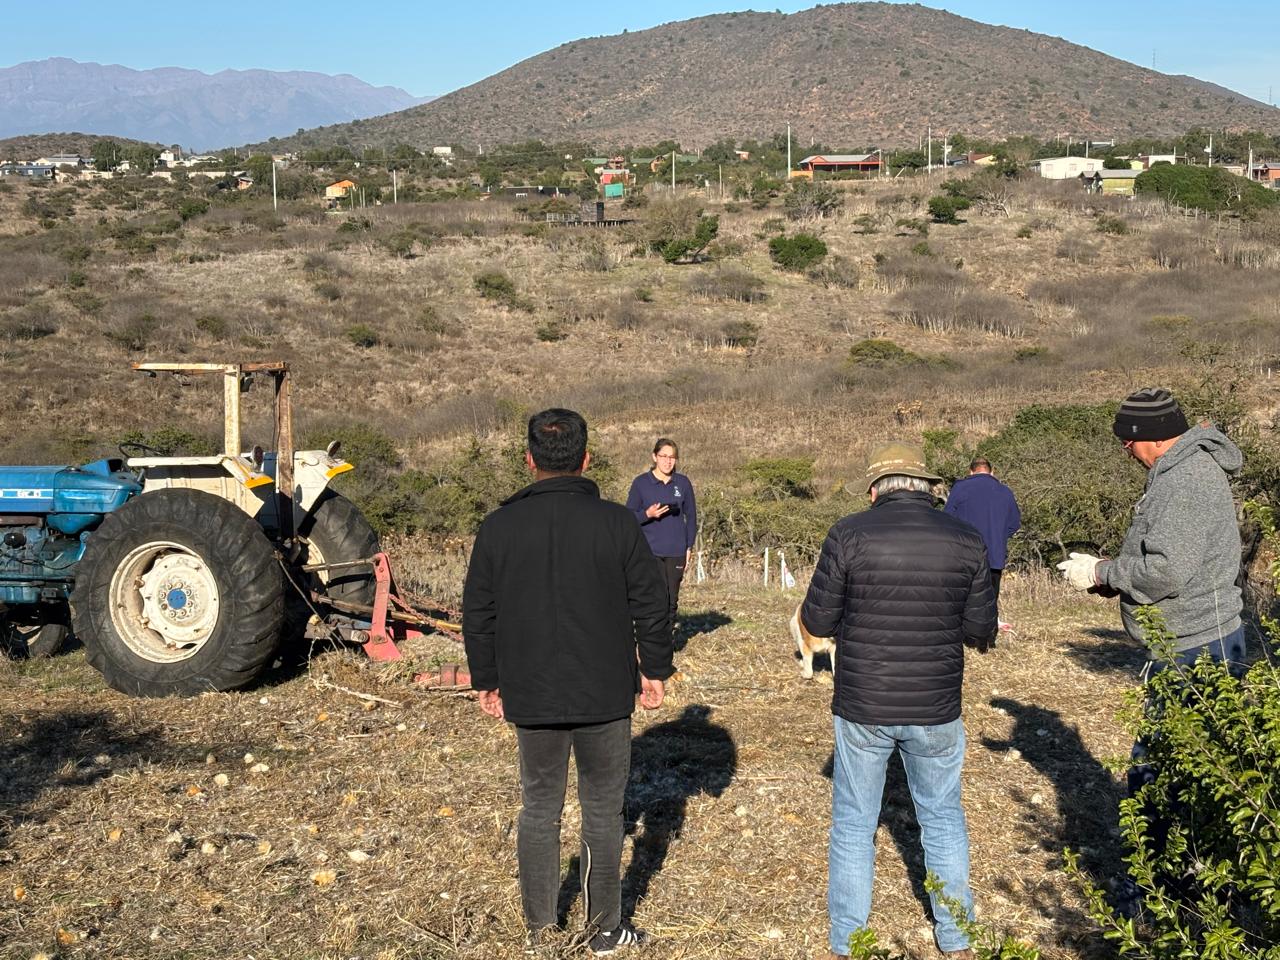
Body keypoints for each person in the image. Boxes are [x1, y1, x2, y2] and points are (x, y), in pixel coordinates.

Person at [462, 409, 673, 955]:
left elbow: (478, 613)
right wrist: (654, 669)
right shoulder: (617, 523)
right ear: (586, 458)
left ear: (529, 459)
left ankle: (540, 929)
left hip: (529, 690)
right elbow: (652, 605)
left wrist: (487, 679)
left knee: (539, 807)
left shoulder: (499, 526)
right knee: (604, 810)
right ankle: (605, 929)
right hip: (604, 690)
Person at [800, 441, 997, 960]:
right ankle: (957, 939)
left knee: (853, 823)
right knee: (942, 818)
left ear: (874, 490)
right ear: (929, 487)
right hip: (935, 703)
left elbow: (816, 622)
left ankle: (848, 942)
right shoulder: (966, 538)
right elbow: (981, 628)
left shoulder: (847, 533)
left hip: (863, 701)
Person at [1056, 388, 1246, 673]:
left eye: (1128, 442)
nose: (1126, 451)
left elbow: (1166, 571)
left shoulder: (1185, 480)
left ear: (1157, 437)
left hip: (1194, 648)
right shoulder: (1181, 469)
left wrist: (1101, 572)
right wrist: (1116, 581)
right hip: (1197, 636)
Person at [625, 438, 698, 640]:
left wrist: (689, 545)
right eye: (664, 456)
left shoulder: (682, 483)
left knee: (671, 599)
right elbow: (628, 515)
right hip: (649, 551)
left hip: (676, 550)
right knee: (653, 597)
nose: (668, 461)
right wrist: (647, 514)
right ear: (654, 457)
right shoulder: (641, 483)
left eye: (672, 457)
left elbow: (691, 516)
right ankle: (649, 638)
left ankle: (666, 639)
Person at [944, 457, 1021, 630]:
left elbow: (947, 518)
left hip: (964, 553)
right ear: (992, 472)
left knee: (964, 593)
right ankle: (989, 629)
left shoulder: (960, 487)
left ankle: (963, 627)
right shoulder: (1005, 491)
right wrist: (999, 536)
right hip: (995, 552)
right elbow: (1015, 523)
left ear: (970, 471)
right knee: (991, 593)